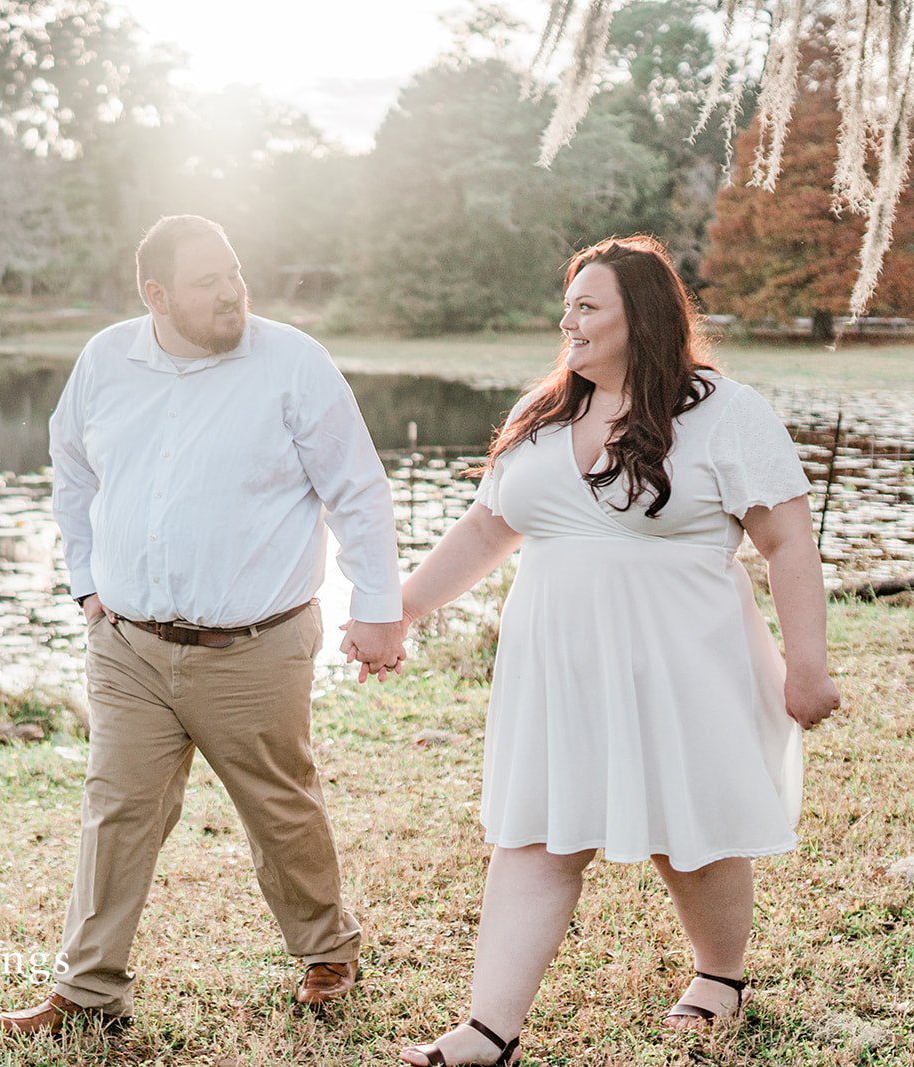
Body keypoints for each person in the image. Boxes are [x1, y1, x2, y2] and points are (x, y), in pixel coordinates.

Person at [354, 235, 840, 1065]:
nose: (566, 321)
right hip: (556, 666)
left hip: (684, 656)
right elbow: (487, 527)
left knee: (692, 829)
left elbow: (787, 539)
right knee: (534, 833)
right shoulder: (541, 412)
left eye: (588, 306)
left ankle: (720, 975)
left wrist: (807, 663)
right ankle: (488, 1029)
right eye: (568, 305)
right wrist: (403, 608)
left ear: (640, 318)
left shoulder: (724, 411)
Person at [0, 215, 408, 1035]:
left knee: (279, 807)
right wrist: (85, 586)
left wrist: (378, 607)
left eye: (235, 272)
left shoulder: (292, 362)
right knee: (116, 808)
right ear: (157, 295)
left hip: (256, 645)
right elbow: (70, 468)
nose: (230, 292)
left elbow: (358, 488)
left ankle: (327, 950)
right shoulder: (107, 360)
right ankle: (87, 989)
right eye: (207, 281)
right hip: (129, 647)